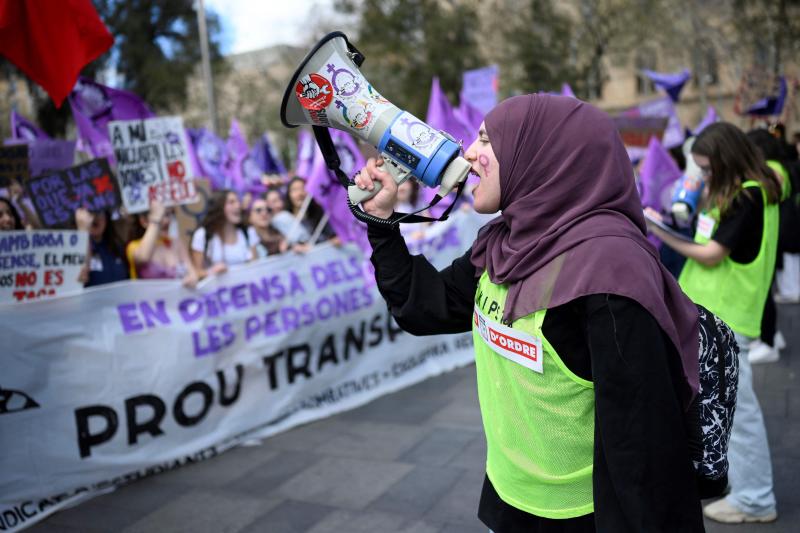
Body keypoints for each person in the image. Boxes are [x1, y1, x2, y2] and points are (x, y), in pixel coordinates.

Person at [355, 94, 705, 532]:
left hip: (585, 516)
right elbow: (426, 308)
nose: (469, 153)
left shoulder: (611, 270)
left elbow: (644, 449)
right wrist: (382, 221)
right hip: (509, 499)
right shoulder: (505, 242)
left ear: (540, 153)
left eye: (488, 139)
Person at [647, 122, 779, 524]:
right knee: (728, 410)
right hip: (719, 316)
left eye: (706, 169)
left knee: (737, 415)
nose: (702, 175)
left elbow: (711, 253)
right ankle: (747, 492)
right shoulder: (742, 192)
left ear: (726, 161)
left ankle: (755, 498)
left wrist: (659, 231)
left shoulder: (748, 197)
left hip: (727, 317)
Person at [126, 199, 199, 288]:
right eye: (161, 216)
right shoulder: (134, 247)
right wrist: (155, 220)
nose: (166, 221)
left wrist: (191, 280)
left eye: (168, 215)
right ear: (144, 221)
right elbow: (143, 257)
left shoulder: (176, 243)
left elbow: (193, 274)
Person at [191, 189, 255, 278]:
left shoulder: (248, 232)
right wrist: (211, 272)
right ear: (219, 207)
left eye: (238, 201)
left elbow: (256, 267)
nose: (238, 206)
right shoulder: (203, 235)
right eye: (231, 202)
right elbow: (196, 273)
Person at [75, 208, 129, 287]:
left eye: (99, 212)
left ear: (106, 218)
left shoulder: (117, 247)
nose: (94, 218)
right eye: (90, 213)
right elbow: (80, 275)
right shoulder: (76, 249)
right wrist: (83, 233)